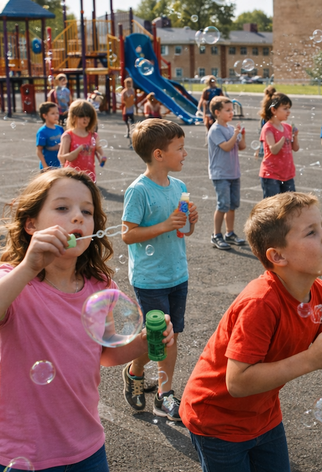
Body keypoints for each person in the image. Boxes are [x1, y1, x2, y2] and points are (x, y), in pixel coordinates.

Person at [0, 167, 175, 471]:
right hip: (22, 451)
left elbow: (104, 353)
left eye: (87, 211)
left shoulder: (99, 285)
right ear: (31, 224)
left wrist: (144, 342)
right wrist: (26, 268)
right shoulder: (11, 283)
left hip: (86, 446)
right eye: (63, 208)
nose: (78, 217)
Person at [179, 192, 322, 472]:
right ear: (277, 255)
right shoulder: (261, 303)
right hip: (217, 420)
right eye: (311, 232)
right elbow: (237, 382)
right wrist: (311, 359)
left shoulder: (319, 292)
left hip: (263, 414)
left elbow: (310, 342)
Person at [121, 119, 198, 421]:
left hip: (177, 273)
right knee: (157, 338)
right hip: (150, 277)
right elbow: (128, 234)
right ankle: (136, 371)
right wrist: (166, 224)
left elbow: (184, 232)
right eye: (179, 148)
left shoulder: (179, 186)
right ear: (159, 154)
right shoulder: (139, 191)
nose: (185, 154)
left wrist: (191, 219)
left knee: (171, 336)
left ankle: (164, 394)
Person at [207, 96, 247, 251]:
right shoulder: (215, 130)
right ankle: (216, 234)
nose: (231, 113)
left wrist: (241, 135)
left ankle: (230, 233)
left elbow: (241, 146)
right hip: (220, 174)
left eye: (232, 110)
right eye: (228, 110)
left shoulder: (231, 129)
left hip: (233, 172)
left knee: (232, 205)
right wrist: (235, 134)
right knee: (223, 204)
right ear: (217, 112)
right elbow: (226, 147)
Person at [259, 86, 299, 198]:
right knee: (273, 208)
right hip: (271, 175)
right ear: (273, 110)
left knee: (289, 206)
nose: (288, 112)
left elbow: (295, 148)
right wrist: (283, 137)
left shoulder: (287, 127)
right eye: (285, 108)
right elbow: (273, 150)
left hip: (287, 173)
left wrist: (295, 136)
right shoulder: (268, 128)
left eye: (289, 108)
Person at [58, 100, 104, 183]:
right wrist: (79, 149)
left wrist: (103, 157)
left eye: (88, 116)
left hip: (89, 177)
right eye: (82, 116)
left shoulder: (93, 135)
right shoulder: (68, 136)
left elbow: (98, 149)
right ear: (74, 116)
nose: (86, 119)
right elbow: (63, 158)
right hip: (72, 177)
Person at [36, 101, 64, 170]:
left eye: (57, 113)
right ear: (44, 116)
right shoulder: (42, 132)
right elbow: (39, 151)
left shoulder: (60, 129)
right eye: (53, 113)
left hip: (59, 165)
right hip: (48, 166)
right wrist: (45, 167)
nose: (56, 115)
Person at [121, 78, 136, 142]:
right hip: (126, 109)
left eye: (129, 83)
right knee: (126, 121)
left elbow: (134, 99)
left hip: (131, 108)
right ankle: (128, 131)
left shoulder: (132, 91)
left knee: (132, 122)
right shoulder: (124, 91)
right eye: (127, 83)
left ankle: (132, 132)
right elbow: (123, 100)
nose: (128, 84)